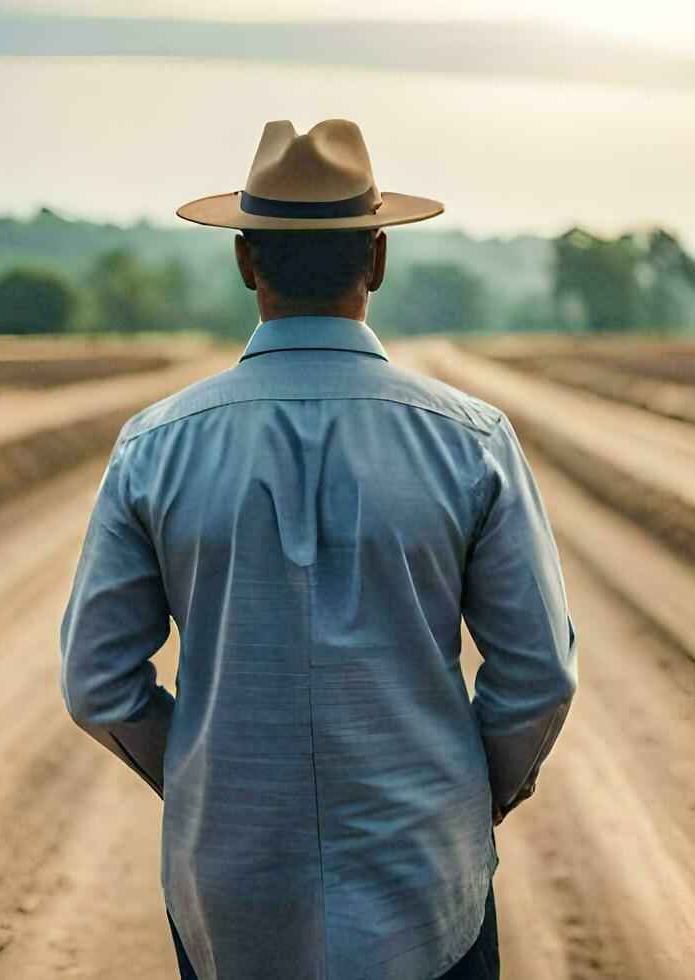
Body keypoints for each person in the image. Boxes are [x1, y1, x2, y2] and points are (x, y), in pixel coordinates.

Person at [59, 118, 577, 979]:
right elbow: (539, 678)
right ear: (377, 259)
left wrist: (203, 781)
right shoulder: (471, 440)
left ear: (243, 261)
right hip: (429, 895)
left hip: (228, 900)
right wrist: (465, 796)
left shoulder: (155, 446)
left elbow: (96, 682)